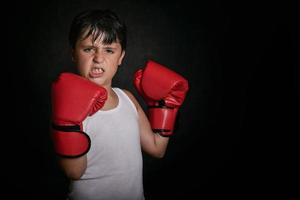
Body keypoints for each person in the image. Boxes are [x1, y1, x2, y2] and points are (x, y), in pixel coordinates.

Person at [51, 9, 189, 200]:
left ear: (121, 57)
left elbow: (158, 149)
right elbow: (74, 172)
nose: (99, 58)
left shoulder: (128, 99)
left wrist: (165, 106)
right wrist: (67, 125)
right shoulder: (68, 106)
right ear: (73, 53)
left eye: (109, 50)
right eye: (88, 49)